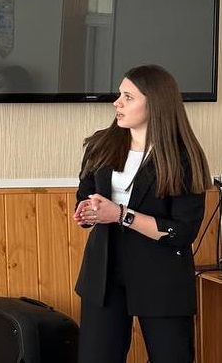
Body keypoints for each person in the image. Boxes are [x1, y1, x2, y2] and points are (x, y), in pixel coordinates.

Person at [73, 64, 211, 363]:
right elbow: (84, 195)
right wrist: (87, 211)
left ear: (155, 103)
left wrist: (120, 214)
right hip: (104, 275)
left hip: (161, 278)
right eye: (119, 95)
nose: (117, 103)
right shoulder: (100, 144)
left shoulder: (183, 158)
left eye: (128, 97)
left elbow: (182, 232)